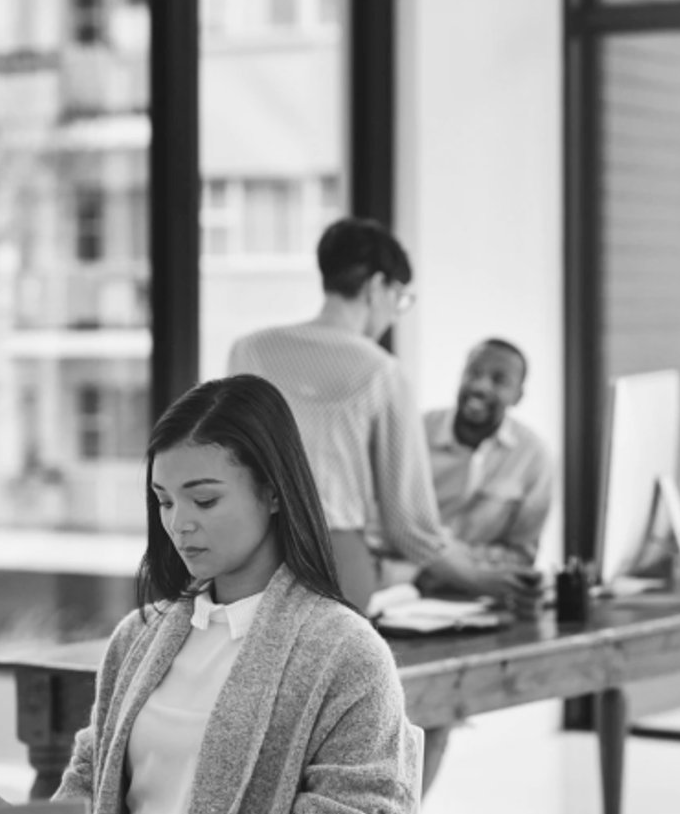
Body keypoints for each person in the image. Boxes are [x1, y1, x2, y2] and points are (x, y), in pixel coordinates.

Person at [50, 374, 418, 814]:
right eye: (165, 502)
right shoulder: (138, 639)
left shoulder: (347, 657)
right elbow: (80, 804)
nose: (179, 524)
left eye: (205, 499)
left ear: (273, 493)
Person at [227, 217, 539, 613]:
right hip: (335, 562)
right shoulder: (383, 373)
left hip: (249, 558)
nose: (394, 314)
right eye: (399, 299)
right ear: (377, 287)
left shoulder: (248, 351)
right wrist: (481, 579)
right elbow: (409, 527)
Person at [418, 337, 553, 588]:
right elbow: (388, 531)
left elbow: (522, 556)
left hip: (481, 596)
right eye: (474, 373)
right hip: (408, 591)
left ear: (518, 395)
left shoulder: (534, 455)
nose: (480, 386)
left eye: (499, 379)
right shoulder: (415, 433)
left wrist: (451, 565)